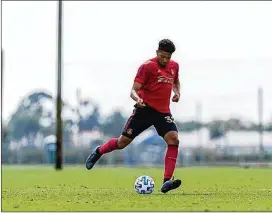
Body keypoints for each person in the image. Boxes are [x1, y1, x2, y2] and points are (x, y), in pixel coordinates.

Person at [85, 39, 182, 193]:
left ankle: (166, 181)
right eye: (162, 56)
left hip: (162, 112)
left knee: (173, 139)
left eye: (168, 57)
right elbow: (133, 90)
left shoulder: (174, 66)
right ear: (157, 53)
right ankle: (99, 151)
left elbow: (176, 82)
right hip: (144, 110)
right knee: (122, 143)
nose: (165, 60)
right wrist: (138, 99)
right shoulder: (147, 67)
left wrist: (177, 92)